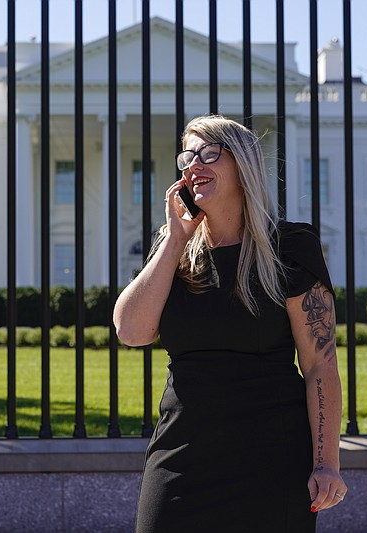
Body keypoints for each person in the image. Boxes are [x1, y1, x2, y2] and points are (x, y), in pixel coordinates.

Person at [113, 115, 347, 532]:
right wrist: (174, 241)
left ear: (242, 164)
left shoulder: (290, 248)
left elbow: (319, 364)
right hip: (182, 453)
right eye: (187, 156)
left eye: (208, 153)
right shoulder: (175, 253)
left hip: (272, 457)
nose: (193, 165)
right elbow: (132, 332)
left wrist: (326, 463)